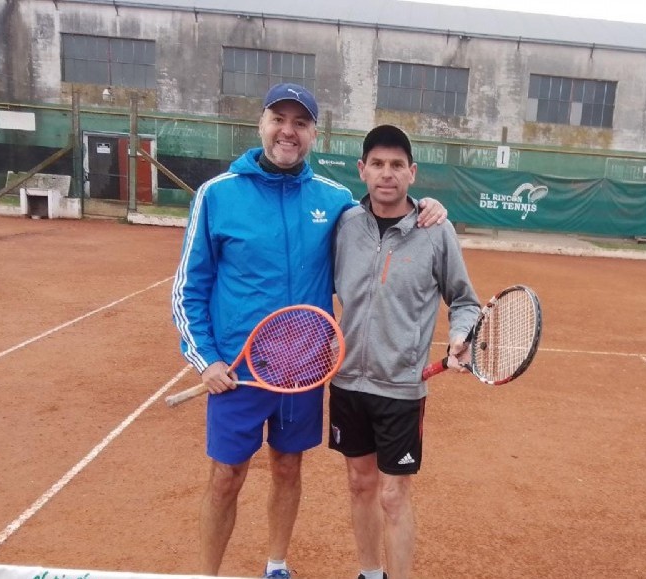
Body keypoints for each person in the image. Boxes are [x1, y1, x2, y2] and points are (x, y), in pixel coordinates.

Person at [171, 84, 448, 579]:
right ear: (262, 124)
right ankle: (204, 575)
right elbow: (190, 288)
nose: (288, 131)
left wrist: (428, 206)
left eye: (300, 123)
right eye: (280, 118)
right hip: (237, 370)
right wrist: (206, 359)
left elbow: (384, 218)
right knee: (225, 477)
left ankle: (276, 564)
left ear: (313, 134)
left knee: (287, 467)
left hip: (303, 371)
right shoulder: (217, 194)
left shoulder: (336, 201)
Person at [329, 125, 481, 579]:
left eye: (397, 165)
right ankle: (369, 573)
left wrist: (461, 335)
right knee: (359, 484)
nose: (386, 174)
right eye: (377, 164)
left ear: (412, 173)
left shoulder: (436, 230)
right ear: (362, 170)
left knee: (394, 496)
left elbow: (466, 299)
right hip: (347, 382)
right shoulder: (344, 224)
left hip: (401, 388)